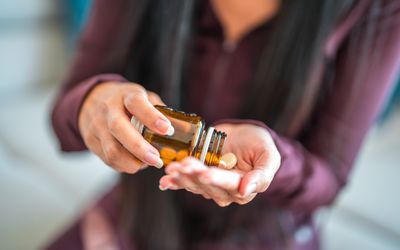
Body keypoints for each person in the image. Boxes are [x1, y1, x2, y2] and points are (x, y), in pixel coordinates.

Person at [47, 0, 400, 249]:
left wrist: (272, 161)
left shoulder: (377, 8)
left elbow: (330, 176)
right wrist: (92, 102)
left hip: (266, 236)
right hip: (140, 214)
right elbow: (61, 121)